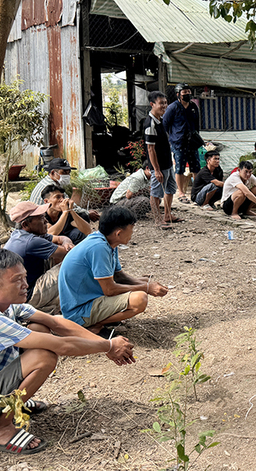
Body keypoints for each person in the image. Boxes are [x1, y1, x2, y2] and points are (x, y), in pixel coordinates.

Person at [0, 248, 135, 455]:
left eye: (24, 277)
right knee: (43, 356)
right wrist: (108, 346)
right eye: (17, 280)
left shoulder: (3, 305)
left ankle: (8, 406)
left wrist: (108, 344)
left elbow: (56, 322)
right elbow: (62, 346)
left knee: (39, 328)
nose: (25, 284)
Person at [58, 207, 169, 333]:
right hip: (78, 311)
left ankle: (100, 318)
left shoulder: (108, 242)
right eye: (131, 229)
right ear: (118, 233)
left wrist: (146, 284)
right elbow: (110, 290)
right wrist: (146, 288)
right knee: (140, 299)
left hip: (90, 299)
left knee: (142, 282)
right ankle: (90, 325)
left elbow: (119, 276)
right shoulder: (99, 248)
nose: (132, 233)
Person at [3, 202, 73, 314]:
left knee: (55, 253)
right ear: (25, 224)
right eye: (41, 218)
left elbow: (60, 238)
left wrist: (66, 241)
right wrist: (68, 245)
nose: (46, 221)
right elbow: (69, 253)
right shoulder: (31, 242)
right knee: (73, 264)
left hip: (21, 288)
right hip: (28, 295)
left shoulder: (22, 234)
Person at [144, 91, 181, 228]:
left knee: (170, 189)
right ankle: (157, 219)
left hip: (167, 164)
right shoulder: (150, 125)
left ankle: (167, 214)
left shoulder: (160, 121)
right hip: (158, 167)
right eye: (161, 103)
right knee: (156, 193)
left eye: (165, 103)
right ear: (152, 104)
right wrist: (157, 170)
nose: (164, 106)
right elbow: (150, 149)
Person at [162, 82, 201, 204]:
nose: (187, 94)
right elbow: (165, 125)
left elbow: (197, 124)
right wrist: (171, 139)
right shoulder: (172, 108)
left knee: (196, 167)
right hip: (178, 143)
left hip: (192, 143)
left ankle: (197, 192)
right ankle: (181, 193)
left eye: (189, 92)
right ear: (178, 94)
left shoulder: (194, 107)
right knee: (179, 168)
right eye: (184, 93)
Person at [30, 158, 99, 222]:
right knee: (83, 216)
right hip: (42, 218)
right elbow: (67, 204)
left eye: (68, 172)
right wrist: (87, 213)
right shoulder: (51, 187)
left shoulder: (49, 182)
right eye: (64, 172)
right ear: (53, 173)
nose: (67, 175)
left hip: (42, 215)